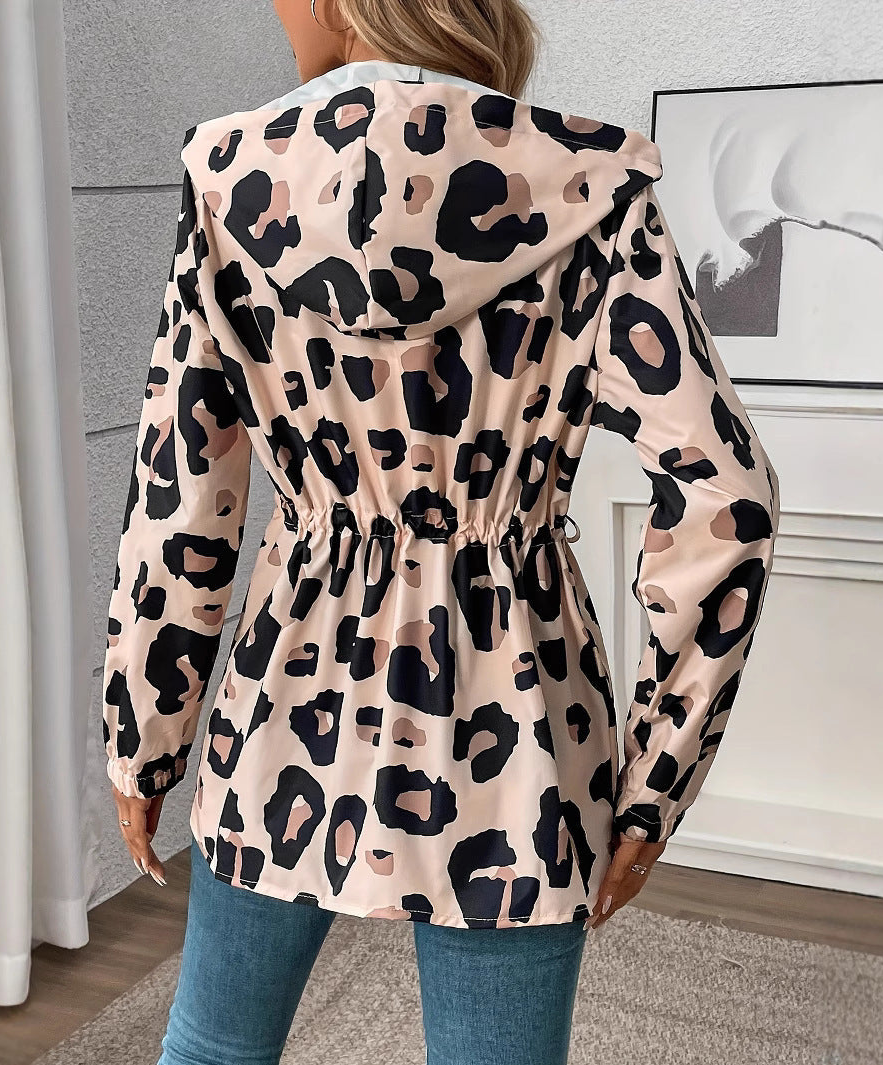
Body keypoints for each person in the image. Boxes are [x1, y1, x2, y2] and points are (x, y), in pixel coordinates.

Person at [99, 1, 782, 1062]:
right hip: (523, 712)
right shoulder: (589, 184)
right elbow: (726, 497)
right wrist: (656, 782)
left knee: (215, 1048)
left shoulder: (231, 179)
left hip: (286, 691)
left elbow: (180, 493)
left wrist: (143, 738)